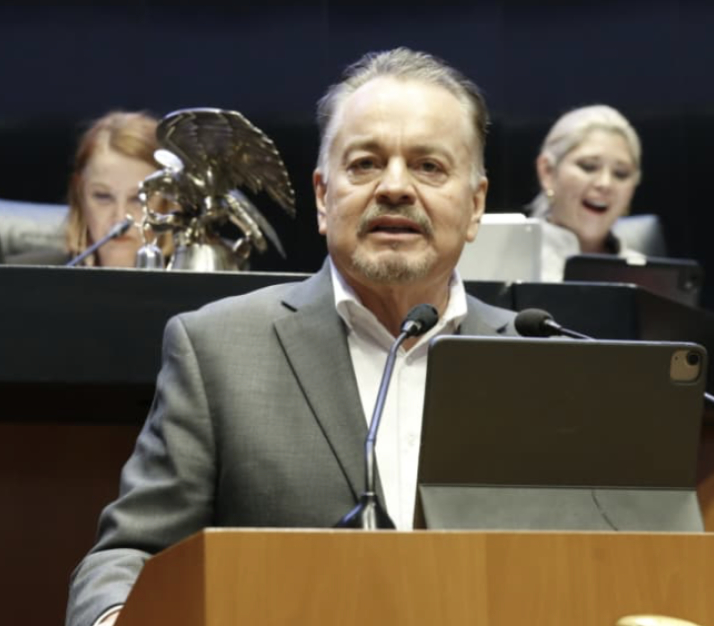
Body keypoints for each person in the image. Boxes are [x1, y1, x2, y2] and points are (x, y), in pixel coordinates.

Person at [66, 48, 517, 626]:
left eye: (429, 166)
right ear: (324, 197)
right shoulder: (219, 350)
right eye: (365, 164)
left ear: (475, 205)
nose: (395, 187)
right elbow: (130, 556)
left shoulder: (544, 366)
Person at [527, 105, 644, 282]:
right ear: (548, 171)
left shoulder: (645, 274)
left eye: (620, 173)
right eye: (588, 166)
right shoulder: (509, 262)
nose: (605, 184)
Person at [65, 111, 170, 267]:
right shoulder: (34, 275)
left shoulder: (204, 275)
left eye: (138, 199)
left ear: (169, 203)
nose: (120, 219)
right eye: (103, 196)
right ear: (79, 197)